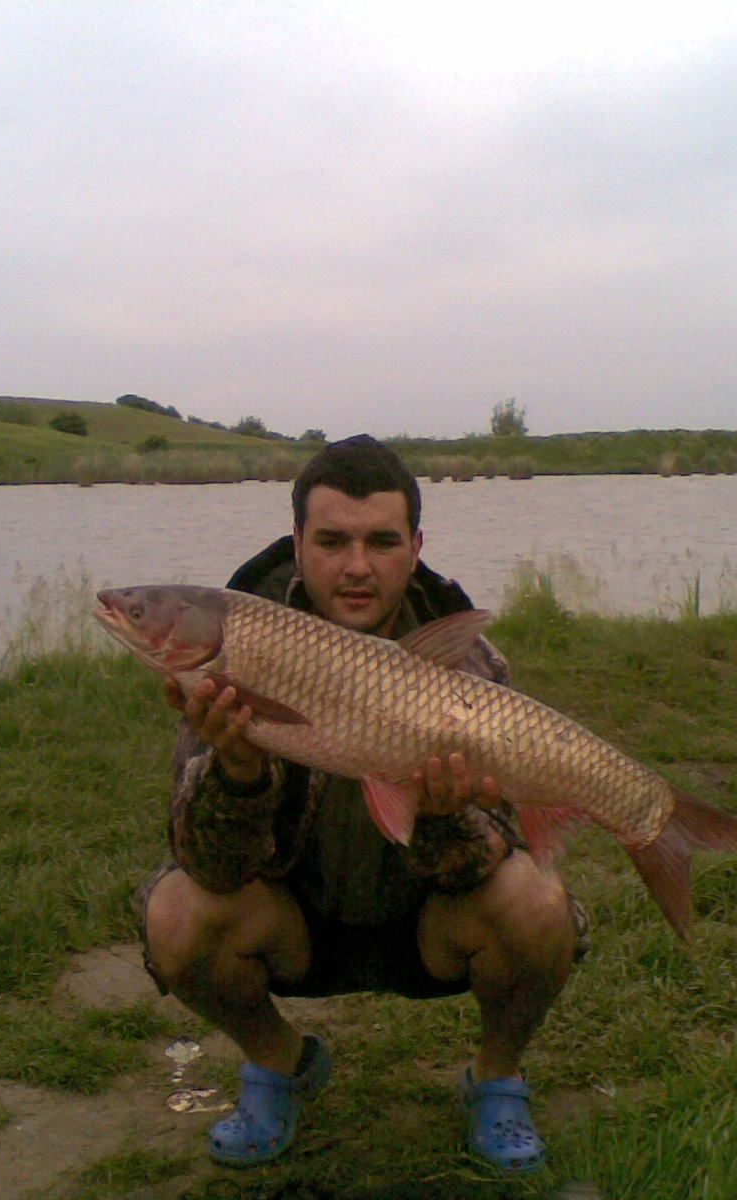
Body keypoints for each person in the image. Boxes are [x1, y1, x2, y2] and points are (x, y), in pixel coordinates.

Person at [137, 434, 586, 1173]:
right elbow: (206, 863)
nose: (356, 566)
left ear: (415, 547)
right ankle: (280, 1063)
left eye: (381, 542)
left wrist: (439, 812)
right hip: (292, 925)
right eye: (332, 541)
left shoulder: (464, 664)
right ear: (297, 543)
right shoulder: (239, 651)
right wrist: (239, 772)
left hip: (427, 925)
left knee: (538, 905)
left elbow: (493, 857)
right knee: (176, 912)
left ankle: (497, 1076)